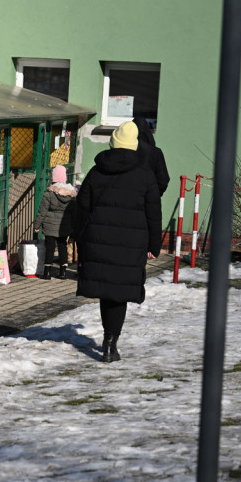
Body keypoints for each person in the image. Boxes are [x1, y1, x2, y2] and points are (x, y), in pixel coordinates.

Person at [75, 121, 161, 363]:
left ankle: (107, 339)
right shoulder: (145, 175)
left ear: (113, 142)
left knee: (106, 291)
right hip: (131, 243)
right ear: (134, 146)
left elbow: (82, 207)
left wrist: (81, 237)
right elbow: (154, 212)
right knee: (119, 294)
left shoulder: (96, 171)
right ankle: (111, 342)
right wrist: (154, 245)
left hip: (99, 240)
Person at [33, 164, 77, 280]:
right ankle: (63, 272)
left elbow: (42, 211)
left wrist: (37, 225)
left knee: (50, 247)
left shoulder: (49, 193)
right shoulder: (71, 195)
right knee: (63, 246)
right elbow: (74, 213)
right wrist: (73, 228)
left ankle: (47, 272)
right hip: (64, 225)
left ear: (53, 178)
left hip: (49, 225)